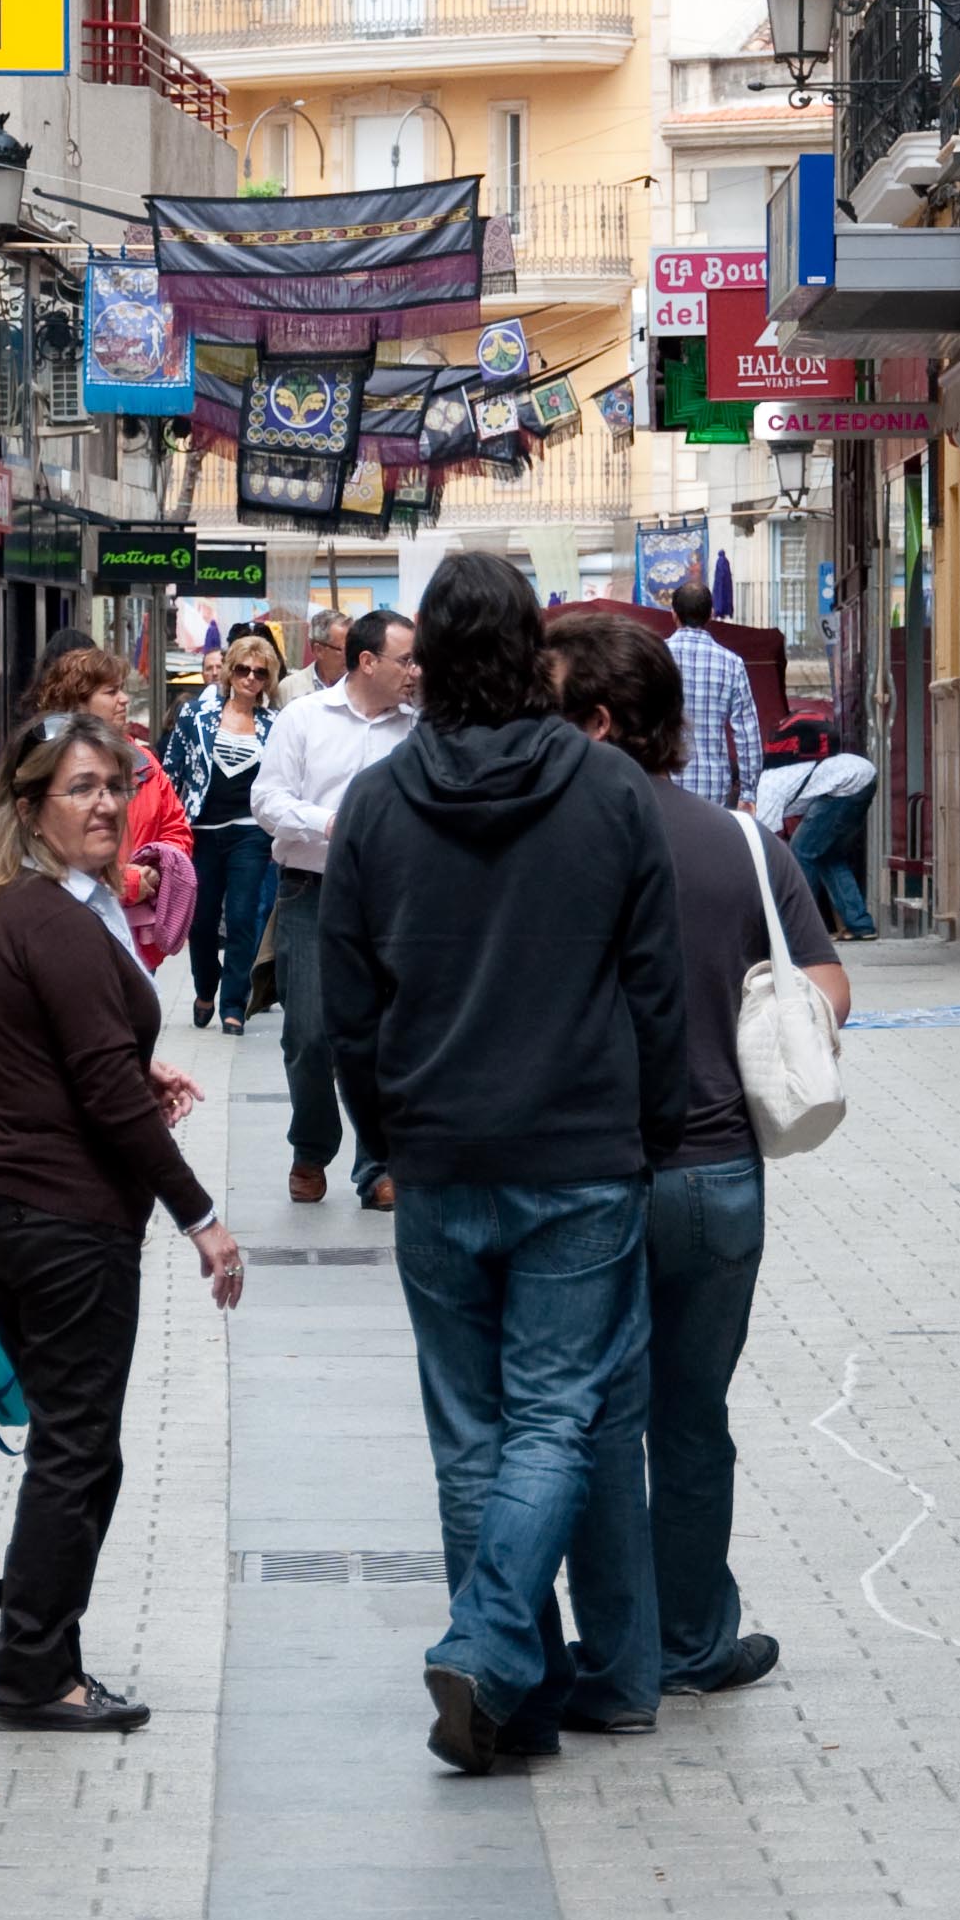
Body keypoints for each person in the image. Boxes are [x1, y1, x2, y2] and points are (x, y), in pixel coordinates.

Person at [323, 555, 685, 1772]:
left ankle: (513, 1691)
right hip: (581, 1154)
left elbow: (343, 1004)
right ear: (533, 650)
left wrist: (381, 1135)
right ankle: (490, 1653)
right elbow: (655, 987)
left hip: (437, 1155)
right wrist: (654, 1128)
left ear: (426, 659)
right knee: (554, 1419)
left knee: (471, 1433)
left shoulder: (377, 804)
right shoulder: (607, 793)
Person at [544, 606, 841, 1701]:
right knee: (691, 1413)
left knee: (588, 1415)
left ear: (605, 723)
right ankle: (694, 1638)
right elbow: (827, 990)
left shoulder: (558, 845)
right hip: (720, 1179)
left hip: (594, 1173)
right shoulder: (746, 846)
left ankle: (615, 1643)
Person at [0, 712, 247, 1734]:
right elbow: (100, 1096)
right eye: (79, 788)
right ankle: (32, 1673)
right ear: (30, 808)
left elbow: (59, 1054)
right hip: (53, 1210)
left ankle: (46, 1654)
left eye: (114, 786)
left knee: (82, 1445)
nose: (106, 805)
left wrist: (129, 1062)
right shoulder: (54, 917)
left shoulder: (33, 913)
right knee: (78, 1444)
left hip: (11, 1196)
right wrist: (201, 1215)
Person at [254, 608, 422, 1206]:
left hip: (393, 899)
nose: (414, 671)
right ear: (368, 661)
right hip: (311, 890)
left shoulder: (418, 729)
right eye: (406, 659)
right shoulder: (303, 718)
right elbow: (267, 800)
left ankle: (377, 1165)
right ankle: (310, 1147)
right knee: (309, 1034)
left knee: (386, 1034)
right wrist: (332, 823)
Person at [28, 642, 197, 967]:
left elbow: (177, 830)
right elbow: (48, 855)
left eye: (122, 689)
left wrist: (156, 868)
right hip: (69, 935)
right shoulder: (47, 764)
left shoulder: (144, 762)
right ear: (78, 701)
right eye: (111, 692)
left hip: (137, 942)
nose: (124, 700)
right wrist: (124, 881)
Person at [172, 628, 284, 1032]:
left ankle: (233, 1004)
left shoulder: (276, 724)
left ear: (268, 679)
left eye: (259, 672)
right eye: (242, 670)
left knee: (242, 919)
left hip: (251, 833)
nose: (250, 678)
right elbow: (173, 773)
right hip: (201, 829)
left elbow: (284, 779)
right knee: (200, 921)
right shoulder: (195, 716)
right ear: (230, 673)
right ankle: (206, 986)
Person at [661, 581, 762, 809]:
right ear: (711, 616)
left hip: (663, 782)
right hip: (713, 787)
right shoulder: (732, 664)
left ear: (673, 615)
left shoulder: (655, 657)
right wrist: (748, 792)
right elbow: (747, 733)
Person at [786, 724, 882, 942]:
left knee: (801, 851)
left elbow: (766, 836)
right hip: (862, 777)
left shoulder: (765, 791)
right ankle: (860, 925)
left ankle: (802, 929)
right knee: (829, 856)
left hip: (845, 786)